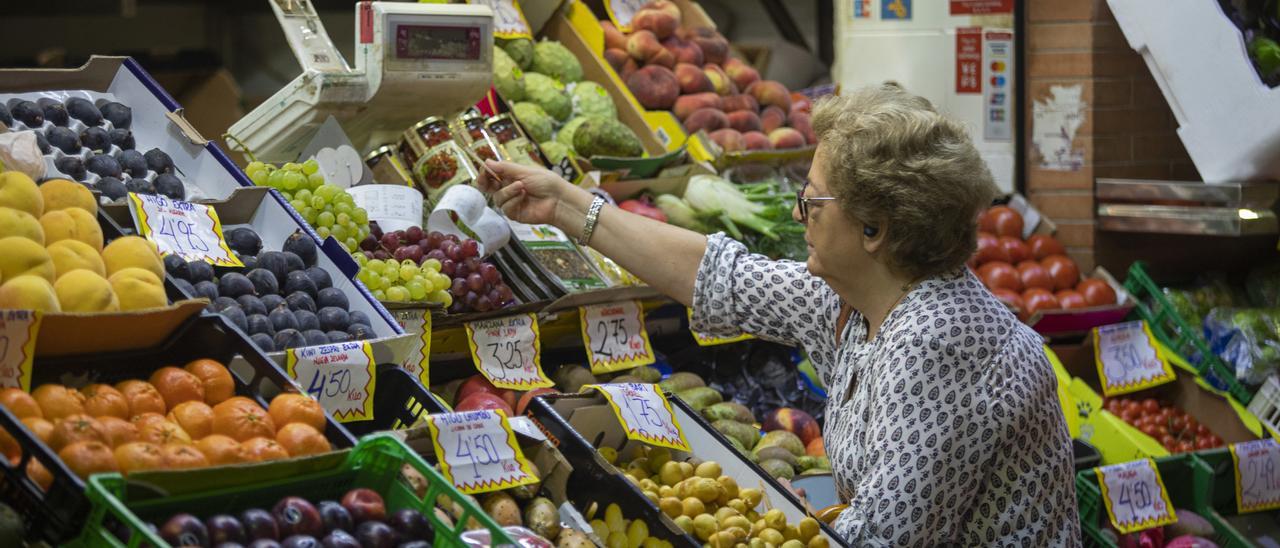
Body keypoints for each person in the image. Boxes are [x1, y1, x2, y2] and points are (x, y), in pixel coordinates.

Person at [479, 83, 1082, 546]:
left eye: (812, 200)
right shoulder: (857, 298)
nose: (798, 215)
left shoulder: (937, 343)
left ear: (876, 229)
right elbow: (719, 276)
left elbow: (878, 540)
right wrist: (565, 205)